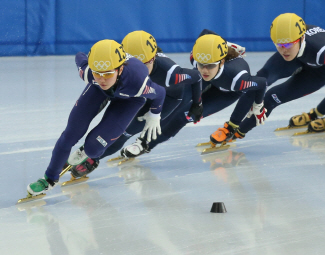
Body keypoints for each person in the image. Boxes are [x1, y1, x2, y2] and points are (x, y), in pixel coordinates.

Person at [26, 39, 166, 196]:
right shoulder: (89, 73)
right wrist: (94, 71)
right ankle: (49, 180)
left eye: (107, 73)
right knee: (69, 135)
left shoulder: (138, 82)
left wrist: (155, 114)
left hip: (130, 99)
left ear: (120, 69)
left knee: (93, 149)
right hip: (98, 91)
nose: (102, 79)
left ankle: (86, 150)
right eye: (97, 73)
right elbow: (79, 56)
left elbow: (160, 93)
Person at [68, 30, 203, 179]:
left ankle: (94, 159)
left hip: (167, 98)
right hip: (140, 93)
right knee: (115, 123)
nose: (136, 67)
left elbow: (197, 77)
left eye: (142, 64)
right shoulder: (129, 72)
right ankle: (94, 146)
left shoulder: (172, 74)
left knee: (126, 131)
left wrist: (197, 104)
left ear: (153, 58)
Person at [235, 12, 325, 138]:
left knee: (271, 97)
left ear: (301, 38)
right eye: (279, 44)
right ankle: (231, 127)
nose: (284, 50)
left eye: (287, 44)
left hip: (320, 71)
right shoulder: (289, 46)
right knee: (259, 80)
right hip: (298, 55)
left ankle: (239, 132)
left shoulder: (323, 55)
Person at [162, 30, 267, 147]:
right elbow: (205, 32)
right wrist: (225, 43)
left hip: (229, 88)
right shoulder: (197, 58)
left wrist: (258, 104)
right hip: (214, 78)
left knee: (247, 90)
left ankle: (231, 127)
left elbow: (261, 83)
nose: (204, 66)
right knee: (180, 99)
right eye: (203, 64)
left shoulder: (237, 78)